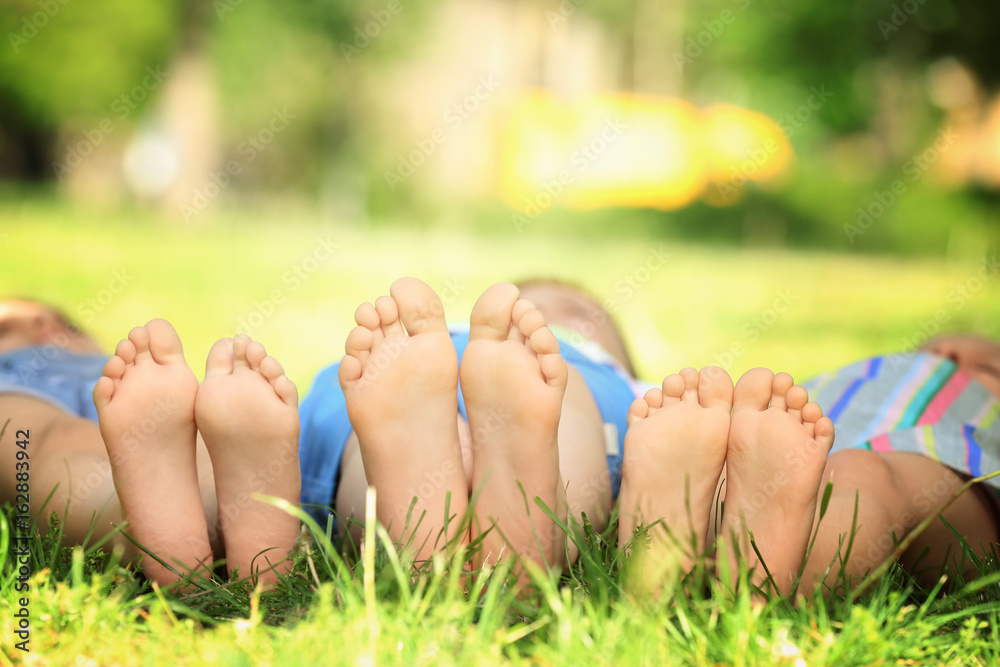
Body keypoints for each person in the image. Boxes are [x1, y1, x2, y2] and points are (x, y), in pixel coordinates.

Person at [299, 277, 643, 573]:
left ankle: (414, 541)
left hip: (418, 372)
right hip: (425, 379)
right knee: (566, 422)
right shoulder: (494, 351)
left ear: (626, 366)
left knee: (368, 456)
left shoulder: (610, 375)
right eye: (528, 304)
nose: (540, 314)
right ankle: (523, 551)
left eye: (576, 311)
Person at [0, 299, 301, 589]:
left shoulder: (131, 373)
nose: (40, 324)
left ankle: (181, 520)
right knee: (61, 439)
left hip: (113, 383)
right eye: (4, 328)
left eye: (69, 327)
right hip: (13, 383)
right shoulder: (132, 369)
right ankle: (208, 519)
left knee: (66, 446)